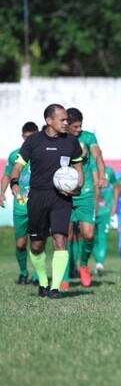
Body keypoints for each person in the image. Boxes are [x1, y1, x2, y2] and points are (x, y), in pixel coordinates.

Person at [9, 104, 83, 299]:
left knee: (60, 239)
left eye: (67, 119)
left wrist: (77, 187)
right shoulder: (33, 141)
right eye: (62, 120)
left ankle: (55, 288)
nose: (66, 123)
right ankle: (43, 282)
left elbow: (79, 171)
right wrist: (14, 182)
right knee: (36, 245)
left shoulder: (72, 143)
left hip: (62, 198)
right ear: (49, 121)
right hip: (38, 197)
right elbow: (17, 166)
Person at [64, 107, 107, 288]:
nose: (78, 130)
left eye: (80, 126)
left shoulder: (89, 138)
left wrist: (102, 175)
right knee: (64, 237)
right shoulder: (59, 139)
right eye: (75, 127)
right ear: (66, 125)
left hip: (85, 192)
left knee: (88, 235)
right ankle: (64, 276)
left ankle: (83, 265)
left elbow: (97, 157)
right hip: (64, 195)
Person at [0, 122, 39, 284]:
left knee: (37, 243)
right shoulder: (15, 155)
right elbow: (8, 175)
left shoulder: (42, 153)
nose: (30, 140)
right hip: (20, 206)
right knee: (21, 243)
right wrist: (1, 192)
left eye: (33, 136)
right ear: (23, 136)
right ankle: (23, 273)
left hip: (38, 205)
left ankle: (38, 276)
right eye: (27, 137)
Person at [93, 164, 118, 274]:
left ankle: (99, 263)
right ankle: (97, 262)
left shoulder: (109, 171)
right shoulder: (88, 169)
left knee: (102, 237)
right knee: (91, 238)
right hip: (90, 210)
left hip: (105, 211)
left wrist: (114, 206)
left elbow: (116, 187)